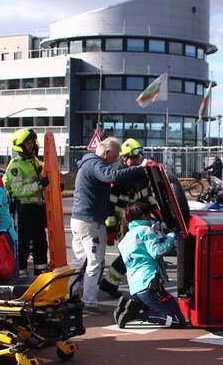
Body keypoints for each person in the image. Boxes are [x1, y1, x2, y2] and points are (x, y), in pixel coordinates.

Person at [70, 136, 142, 312]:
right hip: (91, 221)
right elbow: (112, 176)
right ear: (106, 152)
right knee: (94, 263)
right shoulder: (96, 164)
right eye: (115, 156)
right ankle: (89, 301)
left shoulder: (87, 163)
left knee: (79, 261)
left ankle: (69, 294)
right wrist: (137, 170)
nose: (116, 160)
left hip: (79, 219)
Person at [99, 138, 157, 298]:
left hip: (138, 223)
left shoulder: (140, 174)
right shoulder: (119, 177)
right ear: (124, 158)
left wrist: (156, 210)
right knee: (131, 254)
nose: (137, 159)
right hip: (123, 223)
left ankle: (109, 284)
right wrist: (110, 229)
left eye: (139, 156)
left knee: (132, 255)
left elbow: (147, 196)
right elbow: (111, 206)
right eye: (134, 157)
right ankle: (110, 284)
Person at [113, 201, 185, 328]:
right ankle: (137, 314)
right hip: (149, 286)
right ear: (144, 216)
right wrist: (171, 237)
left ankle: (130, 306)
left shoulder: (125, 239)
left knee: (169, 309)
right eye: (149, 215)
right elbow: (157, 251)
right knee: (177, 320)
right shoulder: (145, 230)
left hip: (136, 288)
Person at [3, 129, 49, 277]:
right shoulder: (15, 166)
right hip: (23, 209)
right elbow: (19, 190)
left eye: (32, 142)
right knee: (23, 244)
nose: (31, 145)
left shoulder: (34, 162)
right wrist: (40, 185)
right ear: (20, 146)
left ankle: (41, 274)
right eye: (28, 143)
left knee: (40, 243)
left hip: (37, 209)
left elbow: (48, 172)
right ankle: (20, 275)